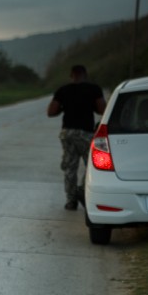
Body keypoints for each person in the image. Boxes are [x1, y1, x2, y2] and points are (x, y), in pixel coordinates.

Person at [46, 64, 105, 210]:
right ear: (85, 74)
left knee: (70, 168)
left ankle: (71, 200)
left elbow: (51, 112)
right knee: (91, 165)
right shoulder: (94, 89)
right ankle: (83, 191)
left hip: (68, 133)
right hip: (85, 133)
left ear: (71, 75)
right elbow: (102, 110)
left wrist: (64, 107)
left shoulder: (63, 90)